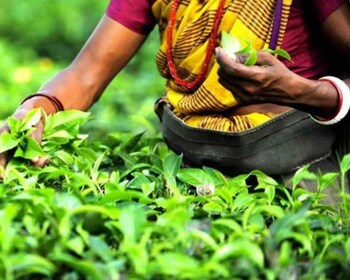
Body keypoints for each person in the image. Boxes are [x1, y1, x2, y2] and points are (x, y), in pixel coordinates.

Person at [1, 0, 350, 196]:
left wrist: (304, 92)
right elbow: (85, 75)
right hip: (190, 173)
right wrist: (31, 112)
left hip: (300, 176)